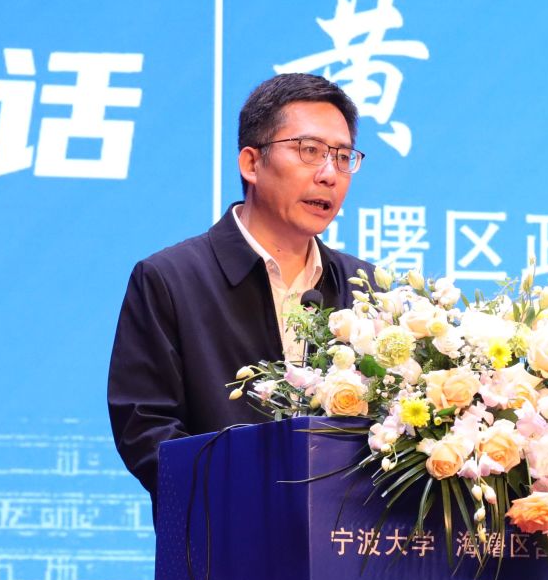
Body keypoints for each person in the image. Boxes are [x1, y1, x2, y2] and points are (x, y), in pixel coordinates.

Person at [106, 73, 373, 496]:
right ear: (251, 163)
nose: (329, 174)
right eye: (310, 151)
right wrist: (250, 495)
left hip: (345, 533)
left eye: (343, 157)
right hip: (222, 530)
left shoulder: (368, 291)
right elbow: (147, 432)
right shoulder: (171, 280)